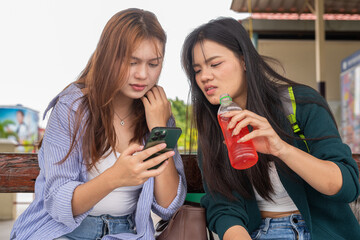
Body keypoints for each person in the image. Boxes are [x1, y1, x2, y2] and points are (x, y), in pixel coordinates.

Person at [11, 8, 186, 240]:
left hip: (127, 233)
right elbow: (58, 204)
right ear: (108, 57)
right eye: (132, 62)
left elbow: (168, 205)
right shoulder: (72, 107)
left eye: (153, 64)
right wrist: (115, 177)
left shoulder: (157, 111)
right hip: (64, 231)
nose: (143, 74)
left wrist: (159, 129)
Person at [181, 17, 360, 240]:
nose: (204, 76)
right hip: (261, 232)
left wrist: (281, 149)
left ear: (245, 60)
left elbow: (347, 186)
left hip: (321, 232)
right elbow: (224, 207)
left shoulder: (300, 104)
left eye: (215, 64)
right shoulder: (215, 128)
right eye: (197, 70)